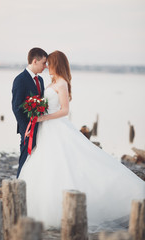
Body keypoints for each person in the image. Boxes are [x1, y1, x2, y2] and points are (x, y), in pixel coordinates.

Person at [19, 50, 145, 232]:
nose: (46, 67)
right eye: (45, 64)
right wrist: (37, 112)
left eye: (49, 64)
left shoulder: (61, 83)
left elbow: (64, 111)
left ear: (56, 64)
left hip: (56, 127)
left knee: (66, 164)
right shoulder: (51, 82)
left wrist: (43, 118)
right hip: (46, 130)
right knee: (46, 165)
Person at [12, 47, 48, 178]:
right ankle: (18, 182)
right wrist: (25, 128)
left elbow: (42, 103)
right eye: (44, 63)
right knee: (25, 157)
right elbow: (16, 107)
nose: (45, 66)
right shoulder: (20, 79)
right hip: (27, 128)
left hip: (40, 126)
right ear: (34, 61)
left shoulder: (41, 80)